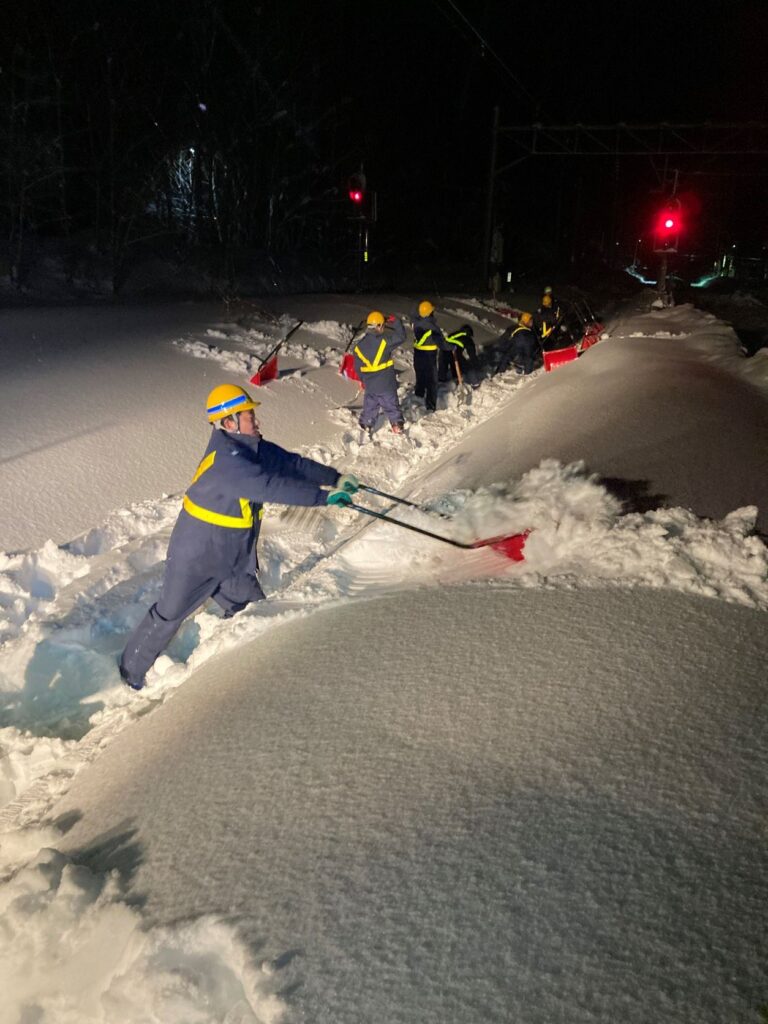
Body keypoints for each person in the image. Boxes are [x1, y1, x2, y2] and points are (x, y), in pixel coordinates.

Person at [119, 384, 357, 690]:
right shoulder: (228, 463)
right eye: (249, 415)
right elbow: (271, 487)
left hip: (233, 557)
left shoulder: (249, 448)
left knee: (255, 615)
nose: (256, 421)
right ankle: (129, 675)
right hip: (196, 557)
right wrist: (322, 498)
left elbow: (291, 464)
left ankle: (258, 681)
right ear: (229, 422)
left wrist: (334, 478)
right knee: (168, 614)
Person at [353, 311, 406, 438]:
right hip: (386, 385)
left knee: (370, 406)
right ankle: (396, 425)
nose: (383, 328)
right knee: (391, 406)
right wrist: (397, 322)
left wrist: (363, 380)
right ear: (378, 327)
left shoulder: (358, 347)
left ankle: (366, 424)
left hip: (370, 385)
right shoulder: (384, 342)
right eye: (382, 325)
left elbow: (358, 368)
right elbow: (401, 336)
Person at [411, 300, 450, 412]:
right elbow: (442, 344)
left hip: (418, 356)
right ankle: (430, 406)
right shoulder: (433, 328)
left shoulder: (416, 323)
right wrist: (452, 347)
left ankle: (418, 397)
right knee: (432, 382)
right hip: (429, 357)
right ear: (430, 313)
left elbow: (413, 314)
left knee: (420, 377)